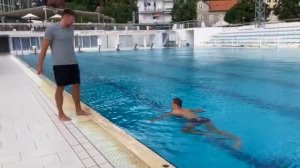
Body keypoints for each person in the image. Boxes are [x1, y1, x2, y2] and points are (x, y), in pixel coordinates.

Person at [37, 9, 89, 121]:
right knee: (60, 88)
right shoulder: (51, 28)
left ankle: (78, 109)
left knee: (77, 85)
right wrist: (40, 65)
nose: (73, 21)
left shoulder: (71, 29)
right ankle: (61, 113)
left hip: (73, 62)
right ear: (65, 17)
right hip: (60, 64)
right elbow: (44, 48)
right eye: (72, 19)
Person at [150, 98, 242, 149]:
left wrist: (153, 120)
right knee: (217, 131)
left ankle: (204, 133)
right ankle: (237, 139)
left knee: (184, 131)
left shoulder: (175, 111)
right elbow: (197, 110)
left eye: (172, 103)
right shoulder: (186, 109)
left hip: (194, 121)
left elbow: (164, 115)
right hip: (203, 118)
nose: (171, 105)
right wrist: (201, 110)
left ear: (175, 105)